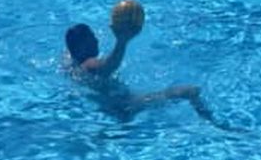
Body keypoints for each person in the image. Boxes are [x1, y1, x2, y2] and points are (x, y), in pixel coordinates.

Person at [64, 14, 214, 123]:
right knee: (190, 91)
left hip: (112, 108)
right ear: (83, 46)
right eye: (92, 38)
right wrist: (121, 41)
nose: (96, 40)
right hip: (128, 105)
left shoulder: (71, 62)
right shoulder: (89, 64)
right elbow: (109, 65)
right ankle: (213, 124)